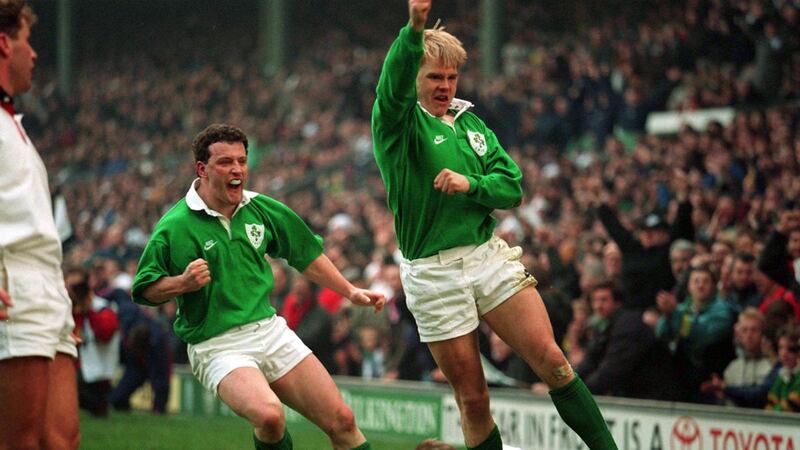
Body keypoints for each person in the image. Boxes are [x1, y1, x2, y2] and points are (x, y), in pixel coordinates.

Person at [370, 2, 616, 449]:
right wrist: (414, 28)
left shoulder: (472, 124)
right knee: (474, 399)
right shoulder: (397, 124)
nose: (445, 86)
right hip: (433, 273)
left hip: (485, 255)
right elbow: (390, 82)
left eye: (451, 77)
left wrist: (471, 184)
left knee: (555, 361)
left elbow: (512, 187)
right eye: (434, 77)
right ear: (414, 79)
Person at [132, 124, 384, 450]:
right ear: (202, 169)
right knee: (269, 416)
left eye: (242, 160)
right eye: (225, 162)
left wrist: (349, 291)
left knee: (343, 421)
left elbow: (305, 253)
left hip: (269, 331)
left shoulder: (260, 209)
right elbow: (144, 289)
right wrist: (181, 282)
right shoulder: (174, 225)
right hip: (217, 345)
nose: (237, 169)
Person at [0, 2, 80, 449]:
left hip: (49, 285)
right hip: (13, 277)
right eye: (27, 41)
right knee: (20, 441)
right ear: (4, 43)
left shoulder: (14, 124)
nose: (33, 54)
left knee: (62, 438)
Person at [574, 281, 684, 401]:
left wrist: (576, 392)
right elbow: (591, 359)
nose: (598, 306)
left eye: (604, 300)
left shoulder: (627, 326)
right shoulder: (605, 326)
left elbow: (612, 370)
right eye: (595, 300)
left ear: (617, 303)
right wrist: (566, 384)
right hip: (637, 395)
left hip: (654, 398)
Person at [67, 266, 121, 417]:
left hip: (93, 376)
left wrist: (88, 309)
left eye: (78, 287)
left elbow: (106, 334)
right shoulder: (60, 308)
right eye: (71, 287)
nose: (74, 292)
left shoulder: (101, 307)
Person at [700, 308, 778, 408]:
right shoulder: (732, 368)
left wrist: (725, 388)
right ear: (739, 335)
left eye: (754, 330)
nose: (749, 335)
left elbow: (759, 397)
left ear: (763, 333)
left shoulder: (773, 366)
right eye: (744, 330)